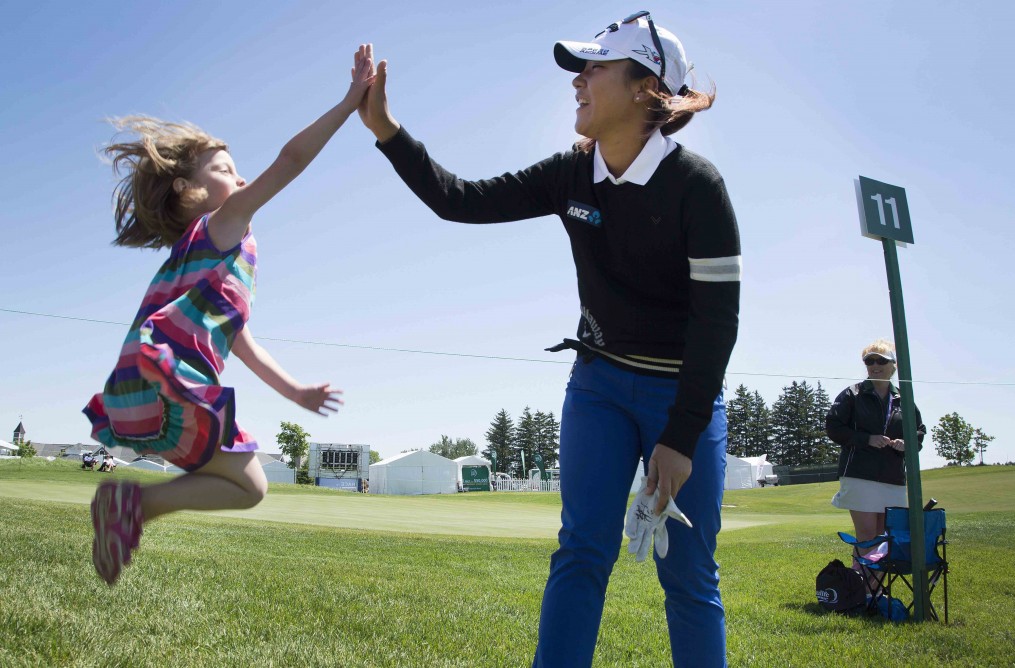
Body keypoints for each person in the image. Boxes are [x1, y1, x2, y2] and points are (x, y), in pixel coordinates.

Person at [357, 10, 740, 666]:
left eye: (595, 67)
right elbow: (460, 199)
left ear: (646, 86)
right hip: (597, 389)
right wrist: (385, 131)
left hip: (683, 397)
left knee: (688, 575)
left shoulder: (697, 186)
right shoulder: (572, 173)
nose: (578, 81)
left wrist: (679, 440)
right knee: (582, 553)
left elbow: (717, 321)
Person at [82, 46, 377, 585]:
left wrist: (295, 392)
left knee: (251, 486)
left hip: (138, 391)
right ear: (189, 190)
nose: (240, 180)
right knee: (249, 487)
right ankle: (134, 505)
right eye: (225, 169)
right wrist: (348, 102)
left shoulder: (199, 257)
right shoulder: (224, 225)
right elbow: (289, 162)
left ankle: (131, 508)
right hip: (167, 380)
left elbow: (240, 340)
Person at [825, 339, 925, 592]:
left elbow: (919, 433)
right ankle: (861, 592)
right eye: (869, 361)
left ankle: (874, 592)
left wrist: (907, 443)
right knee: (868, 536)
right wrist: (866, 439)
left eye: (881, 360)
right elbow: (834, 429)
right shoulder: (852, 394)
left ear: (894, 365)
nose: (874, 365)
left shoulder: (904, 399)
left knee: (885, 539)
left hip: (892, 477)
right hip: (859, 475)